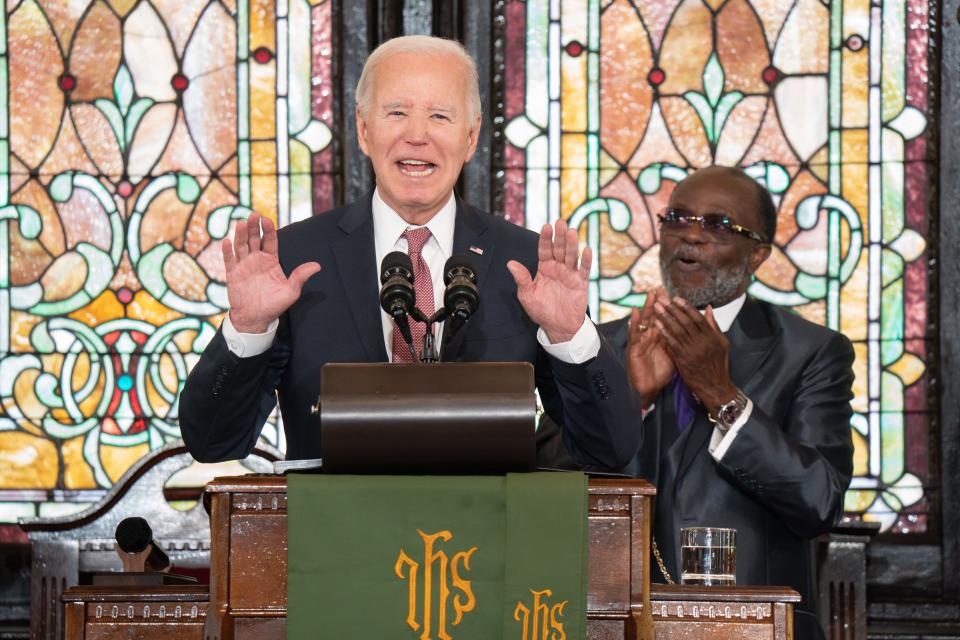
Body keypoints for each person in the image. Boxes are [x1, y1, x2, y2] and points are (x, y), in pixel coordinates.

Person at [178, 35, 643, 468]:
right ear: (363, 130)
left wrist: (570, 336)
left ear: (471, 136)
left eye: (440, 116)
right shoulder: (296, 260)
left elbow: (611, 450)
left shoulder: (524, 264)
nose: (417, 135)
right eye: (396, 113)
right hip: (333, 544)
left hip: (484, 547)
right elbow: (213, 443)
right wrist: (248, 329)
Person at [537, 166, 854, 640]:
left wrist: (722, 395)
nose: (691, 236)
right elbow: (542, 482)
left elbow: (819, 500)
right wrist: (629, 399)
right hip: (614, 622)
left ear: (758, 254)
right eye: (678, 219)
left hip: (753, 628)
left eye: (719, 225)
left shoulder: (810, 352)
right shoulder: (599, 347)